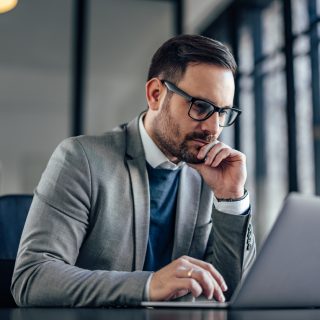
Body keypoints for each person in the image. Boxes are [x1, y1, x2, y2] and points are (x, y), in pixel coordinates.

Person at [11, 34, 256, 307]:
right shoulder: (82, 160)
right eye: (200, 106)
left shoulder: (209, 176)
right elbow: (32, 279)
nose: (213, 128)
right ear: (155, 94)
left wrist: (231, 198)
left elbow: (230, 290)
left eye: (222, 113)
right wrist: (148, 285)